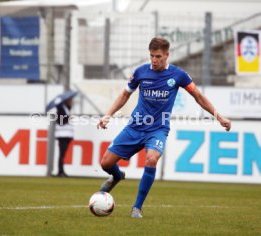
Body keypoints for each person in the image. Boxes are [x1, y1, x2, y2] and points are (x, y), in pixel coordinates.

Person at [97, 37, 231, 218]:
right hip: (135, 126)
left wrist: (219, 117)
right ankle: (117, 176)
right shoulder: (141, 72)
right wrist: (108, 115)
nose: (154, 60)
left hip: (157, 130)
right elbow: (124, 95)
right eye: (151, 56)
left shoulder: (178, 75)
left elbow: (198, 96)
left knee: (151, 159)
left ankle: (137, 207)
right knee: (105, 163)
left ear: (167, 55)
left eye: (158, 56)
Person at [55, 97, 74, 177]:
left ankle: (61, 171)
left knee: (63, 154)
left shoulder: (66, 108)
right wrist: (68, 118)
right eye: (70, 100)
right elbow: (60, 122)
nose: (72, 101)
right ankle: (60, 171)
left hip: (66, 134)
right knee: (62, 154)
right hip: (62, 135)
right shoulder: (60, 109)